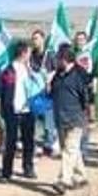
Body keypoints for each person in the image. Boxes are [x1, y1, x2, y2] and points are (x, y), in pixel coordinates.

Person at [49, 44, 91, 193]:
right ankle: (81, 176)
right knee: (70, 150)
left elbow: (86, 98)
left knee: (69, 149)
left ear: (65, 59)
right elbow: (51, 92)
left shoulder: (80, 75)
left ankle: (63, 181)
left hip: (75, 118)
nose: (56, 61)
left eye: (59, 58)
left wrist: (88, 115)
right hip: (60, 118)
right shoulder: (57, 75)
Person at [0, 40, 38, 181]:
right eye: (29, 52)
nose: (30, 55)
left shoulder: (31, 69)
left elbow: (39, 85)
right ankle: (6, 172)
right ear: (23, 53)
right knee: (10, 142)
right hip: (11, 110)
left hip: (28, 110)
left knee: (29, 141)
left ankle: (28, 168)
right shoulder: (8, 70)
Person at [27, 30, 59, 158]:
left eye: (37, 38)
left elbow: (57, 70)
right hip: (34, 91)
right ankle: (37, 144)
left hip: (48, 91)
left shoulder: (50, 55)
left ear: (43, 39)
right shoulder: (31, 55)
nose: (35, 41)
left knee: (48, 118)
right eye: (33, 39)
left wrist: (50, 79)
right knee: (34, 118)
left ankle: (51, 143)